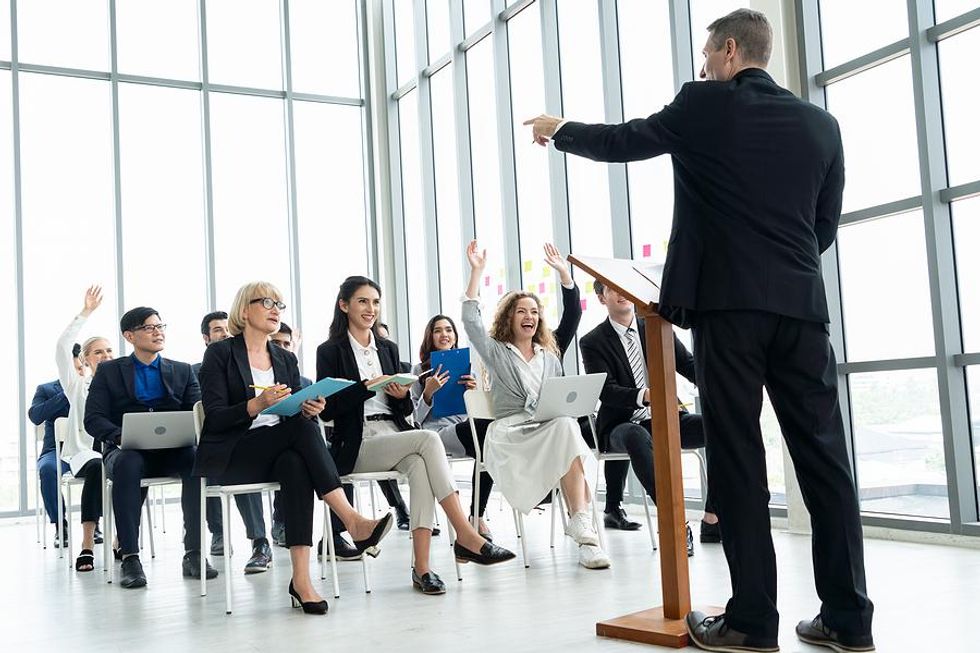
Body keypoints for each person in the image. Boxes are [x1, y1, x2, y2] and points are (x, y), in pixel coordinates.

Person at [523, 8, 873, 652]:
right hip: (801, 310)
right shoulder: (823, 126)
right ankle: (849, 621)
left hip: (728, 312)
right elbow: (822, 228)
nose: (704, 65)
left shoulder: (703, 105)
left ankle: (750, 622)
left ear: (731, 50)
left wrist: (559, 128)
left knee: (738, 459)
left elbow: (627, 140)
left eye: (709, 54)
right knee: (825, 462)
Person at [194, 281, 393, 614]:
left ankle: (301, 580)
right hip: (235, 454)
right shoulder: (220, 353)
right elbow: (213, 418)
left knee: (295, 463)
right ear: (245, 310)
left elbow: (291, 414)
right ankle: (351, 520)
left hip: (279, 448)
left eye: (280, 305)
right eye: (268, 302)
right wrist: (255, 405)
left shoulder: (285, 358)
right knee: (300, 434)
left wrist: (307, 408)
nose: (276, 310)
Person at [316, 275, 515, 595]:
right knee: (429, 439)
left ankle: (423, 569)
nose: (371, 309)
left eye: (376, 302)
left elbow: (404, 407)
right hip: (359, 442)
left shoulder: (388, 348)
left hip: (394, 432)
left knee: (422, 466)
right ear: (344, 306)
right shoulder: (330, 351)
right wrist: (366, 388)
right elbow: (327, 409)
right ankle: (464, 531)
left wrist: (397, 394)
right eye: (363, 301)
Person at [461, 241, 610, 570]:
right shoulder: (497, 352)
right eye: (521, 311)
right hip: (511, 432)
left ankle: (583, 531)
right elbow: (471, 322)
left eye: (534, 311)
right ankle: (583, 527)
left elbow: (573, 315)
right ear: (509, 318)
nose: (529, 316)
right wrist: (477, 272)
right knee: (567, 434)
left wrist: (564, 275)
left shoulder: (550, 353)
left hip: (548, 428)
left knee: (566, 426)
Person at [579, 278, 721, 557]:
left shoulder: (656, 326)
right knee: (636, 435)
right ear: (601, 298)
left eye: (624, 286)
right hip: (622, 424)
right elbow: (606, 391)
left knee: (721, 426)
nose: (622, 292)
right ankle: (675, 525)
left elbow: (690, 365)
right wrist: (643, 395)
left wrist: (718, 381)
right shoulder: (593, 341)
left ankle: (713, 518)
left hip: (666, 417)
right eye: (612, 288)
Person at [85, 306, 216, 589]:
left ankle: (193, 552)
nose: (158, 332)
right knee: (128, 463)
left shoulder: (181, 371)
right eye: (149, 328)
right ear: (129, 336)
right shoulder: (109, 372)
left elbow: (196, 414)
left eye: (160, 326)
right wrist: (120, 435)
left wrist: (190, 431)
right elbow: (93, 419)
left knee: (195, 459)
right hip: (126, 450)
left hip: (172, 450)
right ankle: (130, 556)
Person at [193, 310, 271, 573]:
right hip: (212, 439)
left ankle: (261, 540)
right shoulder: (195, 370)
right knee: (213, 462)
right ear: (206, 338)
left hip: (247, 435)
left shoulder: (249, 365)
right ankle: (218, 532)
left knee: (241, 460)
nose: (224, 333)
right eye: (217, 330)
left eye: (227, 329)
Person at [50, 286, 113, 571]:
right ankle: (88, 542)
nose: (106, 355)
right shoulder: (77, 386)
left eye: (109, 350)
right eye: (98, 352)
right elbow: (63, 346)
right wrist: (86, 312)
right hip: (84, 454)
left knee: (130, 466)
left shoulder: (122, 387)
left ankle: (123, 539)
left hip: (116, 451)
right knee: (98, 466)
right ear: (86, 359)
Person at [267, 320, 311, 549]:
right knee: (298, 445)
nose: (282, 348)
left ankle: (286, 525)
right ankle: (347, 516)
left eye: (287, 344)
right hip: (263, 439)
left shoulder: (303, 382)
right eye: (276, 343)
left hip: (290, 442)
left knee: (295, 457)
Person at [29, 378, 71, 547]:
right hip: (56, 450)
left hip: (85, 449)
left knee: (99, 465)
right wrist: (67, 393)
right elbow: (36, 416)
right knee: (47, 469)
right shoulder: (46, 389)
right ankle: (60, 525)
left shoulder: (95, 385)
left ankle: (93, 523)